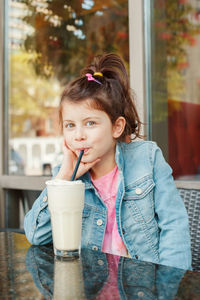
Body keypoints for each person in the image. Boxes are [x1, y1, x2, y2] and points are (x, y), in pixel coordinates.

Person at [24, 53, 191, 270]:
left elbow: (174, 226)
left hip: (142, 288)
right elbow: (35, 235)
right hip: (89, 287)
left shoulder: (147, 159)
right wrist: (64, 178)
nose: (79, 135)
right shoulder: (65, 175)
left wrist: (170, 286)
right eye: (70, 125)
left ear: (116, 127)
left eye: (90, 123)